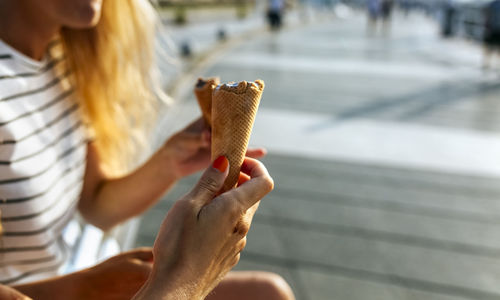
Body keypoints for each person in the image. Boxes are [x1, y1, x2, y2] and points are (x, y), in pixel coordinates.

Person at [0, 0, 295, 299]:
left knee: (270, 293)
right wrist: (184, 277)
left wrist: (172, 159)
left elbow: (96, 204)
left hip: (75, 273)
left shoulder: (57, 64)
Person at [483, 0, 500, 70]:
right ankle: (486, 63)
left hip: (495, 28)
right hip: (492, 28)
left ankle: (496, 64)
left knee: (497, 47)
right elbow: (488, 16)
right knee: (488, 46)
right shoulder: (492, 4)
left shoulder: (492, 4)